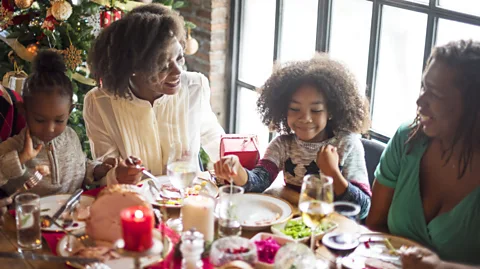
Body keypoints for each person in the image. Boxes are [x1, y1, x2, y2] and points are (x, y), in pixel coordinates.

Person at [214, 54, 372, 219]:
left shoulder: (347, 144)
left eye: (316, 110)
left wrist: (332, 172)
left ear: (331, 111)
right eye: (295, 109)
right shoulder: (283, 145)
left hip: (335, 231)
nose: (305, 118)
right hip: (295, 225)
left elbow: (363, 207)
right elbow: (258, 182)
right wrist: (237, 171)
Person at [366, 40, 480, 265]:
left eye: (435, 94)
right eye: (423, 87)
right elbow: (374, 226)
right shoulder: (408, 138)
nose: (420, 101)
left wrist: (441, 267)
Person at [84, 4, 225, 185]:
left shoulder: (195, 87)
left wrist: (232, 163)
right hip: (135, 205)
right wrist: (116, 175)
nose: (178, 71)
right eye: (163, 66)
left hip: (188, 201)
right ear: (133, 67)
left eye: (179, 58)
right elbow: (104, 172)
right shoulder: (99, 102)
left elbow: (214, 139)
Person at [0, 50, 114, 196]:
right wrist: (21, 158)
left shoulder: (71, 136)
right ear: (23, 111)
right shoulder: (13, 147)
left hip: (74, 212)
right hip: (32, 216)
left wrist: (97, 170)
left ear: (70, 111)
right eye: (40, 120)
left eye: (59, 120)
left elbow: (81, 166)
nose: (50, 129)